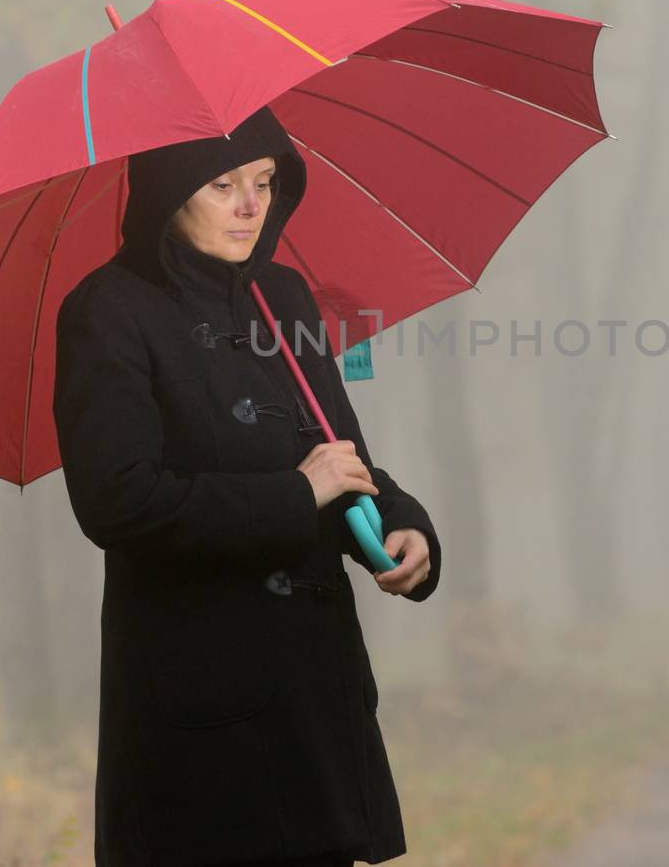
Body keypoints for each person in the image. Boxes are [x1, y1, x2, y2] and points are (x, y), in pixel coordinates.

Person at [51, 104, 441, 866]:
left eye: (264, 182)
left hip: (315, 700)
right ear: (168, 189)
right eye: (221, 184)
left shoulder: (285, 299)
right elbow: (119, 502)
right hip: (201, 724)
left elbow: (344, 458)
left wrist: (404, 524)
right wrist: (296, 496)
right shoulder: (108, 312)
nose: (249, 206)